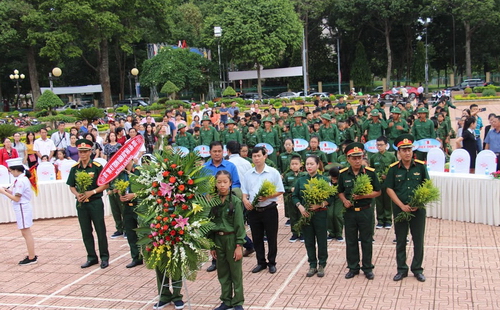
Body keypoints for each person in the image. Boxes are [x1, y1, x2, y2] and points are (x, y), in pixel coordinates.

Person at [385, 134, 428, 282]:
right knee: (401, 240)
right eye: (404, 150)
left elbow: (426, 186)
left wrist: (418, 202)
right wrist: (401, 205)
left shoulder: (421, 166)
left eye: (409, 149)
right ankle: (401, 269)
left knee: (418, 240)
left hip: (418, 210)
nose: (407, 152)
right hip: (400, 209)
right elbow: (389, 189)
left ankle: (417, 269)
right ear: (399, 152)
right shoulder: (393, 169)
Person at [338, 142, 381, 280]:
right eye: (354, 158)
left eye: (359, 157)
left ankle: (367, 267)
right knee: (351, 240)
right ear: (348, 159)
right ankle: (353, 267)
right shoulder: (343, 174)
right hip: (350, 212)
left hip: (365, 211)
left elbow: (378, 192)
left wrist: (364, 196)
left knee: (366, 240)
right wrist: (344, 200)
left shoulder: (370, 173)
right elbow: (340, 191)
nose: (357, 161)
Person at [66, 139, 110, 269]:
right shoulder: (75, 168)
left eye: (85, 152)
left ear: (90, 152)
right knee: (86, 231)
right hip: (82, 204)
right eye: (80, 152)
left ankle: (104, 257)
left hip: (95, 202)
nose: (82, 154)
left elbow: (105, 184)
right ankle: (91, 257)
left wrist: (93, 192)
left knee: (100, 230)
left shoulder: (97, 167)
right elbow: (71, 185)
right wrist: (76, 194)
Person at [241, 146, 284, 274]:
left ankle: (272, 262)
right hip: (254, 211)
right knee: (257, 237)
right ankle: (261, 262)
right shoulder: (248, 174)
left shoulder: (273, 172)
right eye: (254, 156)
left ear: (265, 156)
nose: (257, 158)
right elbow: (244, 191)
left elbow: (280, 190)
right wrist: (245, 200)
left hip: (269, 209)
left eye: (259, 156)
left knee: (271, 237)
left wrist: (267, 196)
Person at [209, 170, 246, 310]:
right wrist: (211, 245)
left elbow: (239, 225)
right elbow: (210, 224)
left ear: (230, 183)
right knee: (222, 272)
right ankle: (226, 300)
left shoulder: (235, 201)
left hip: (232, 239)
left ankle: (237, 301)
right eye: (219, 182)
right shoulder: (214, 202)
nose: (222, 185)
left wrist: (239, 246)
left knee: (235, 272)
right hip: (218, 239)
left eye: (225, 182)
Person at [203, 141, 242, 272]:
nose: (217, 153)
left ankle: (235, 252)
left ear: (223, 152)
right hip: (212, 204)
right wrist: (206, 195)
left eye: (219, 151)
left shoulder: (230, 166)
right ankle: (215, 260)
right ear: (210, 152)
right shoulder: (204, 168)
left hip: (228, 203)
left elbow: (236, 184)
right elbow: (201, 186)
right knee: (214, 228)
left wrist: (229, 194)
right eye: (214, 151)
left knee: (229, 228)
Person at [292, 155, 332, 277]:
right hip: (306, 214)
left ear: (318, 165)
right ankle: (312, 264)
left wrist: (320, 204)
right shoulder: (301, 180)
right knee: (309, 240)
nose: (309, 166)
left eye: (312, 164)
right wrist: (300, 206)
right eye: (307, 164)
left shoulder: (324, 180)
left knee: (321, 240)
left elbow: (331, 197)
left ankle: (322, 264)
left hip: (320, 214)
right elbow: (295, 196)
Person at [0, 158, 37, 265]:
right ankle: (31, 255)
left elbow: (16, 198)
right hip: (22, 207)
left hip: (22, 207)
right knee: (25, 232)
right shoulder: (21, 179)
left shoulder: (21, 181)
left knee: (26, 233)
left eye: (11, 171)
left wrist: (3, 192)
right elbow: (16, 194)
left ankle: (32, 257)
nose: (10, 173)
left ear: (16, 170)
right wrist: (7, 191)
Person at [118, 159, 143, 268]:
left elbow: (148, 188)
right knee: (130, 233)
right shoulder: (121, 173)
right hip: (127, 206)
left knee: (143, 232)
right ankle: (136, 257)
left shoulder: (139, 171)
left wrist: (135, 194)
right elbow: (118, 187)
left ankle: (149, 255)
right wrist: (121, 194)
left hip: (139, 205)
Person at [369, 136, 397, 229]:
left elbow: (395, 169)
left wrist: (388, 177)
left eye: (381, 145)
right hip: (378, 183)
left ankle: (388, 220)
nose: (379, 147)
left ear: (386, 145)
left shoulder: (391, 156)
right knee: (379, 202)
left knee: (388, 201)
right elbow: (371, 170)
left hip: (388, 183)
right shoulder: (373, 157)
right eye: (377, 145)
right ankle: (380, 220)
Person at [283, 156, 304, 242]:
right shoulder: (287, 176)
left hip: (301, 199)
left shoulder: (304, 175)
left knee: (301, 215)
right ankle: (294, 233)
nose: (294, 166)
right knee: (293, 216)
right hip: (291, 199)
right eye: (292, 164)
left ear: (300, 165)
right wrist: (290, 189)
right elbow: (283, 186)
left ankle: (302, 233)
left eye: (296, 164)